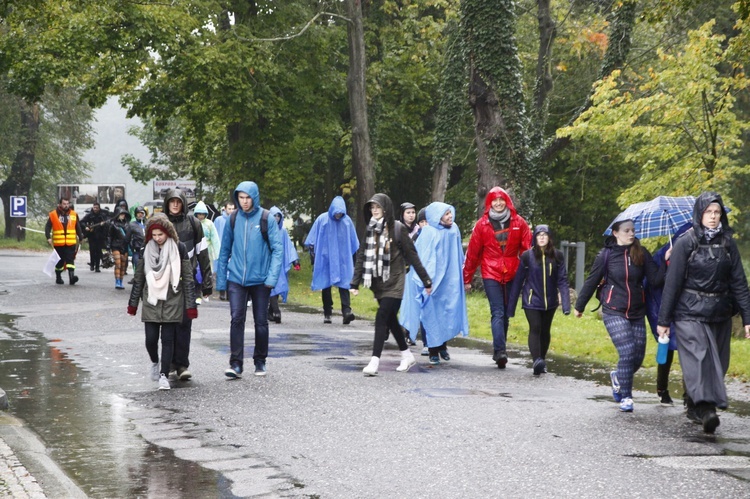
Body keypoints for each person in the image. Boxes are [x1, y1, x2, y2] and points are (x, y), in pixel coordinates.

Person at [657, 192, 750, 433]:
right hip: (689, 312)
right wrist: (664, 320)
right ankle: (707, 410)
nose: (713, 217)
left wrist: (748, 318)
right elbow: (672, 283)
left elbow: (739, 282)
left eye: (717, 212)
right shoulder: (685, 243)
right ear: (700, 214)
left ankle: (695, 403)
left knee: (718, 363)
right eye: (708, 212)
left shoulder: (728, 244)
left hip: (720, 312)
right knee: (699, 358)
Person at [574, 219, 665, 413]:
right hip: (613, 309)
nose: (631, 234)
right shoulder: (606, 255)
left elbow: (656, 280)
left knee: (637, 358)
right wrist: (579, 305)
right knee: (627, 351)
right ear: (615, 233)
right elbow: (592, 280)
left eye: (633, 230)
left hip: (637, 312)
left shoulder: (641, 253)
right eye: (626, 230)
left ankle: (618, 377)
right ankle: (626, 396)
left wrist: (667, 259)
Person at [351, 194, 432, 376]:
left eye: (378, 207)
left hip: (395, 281)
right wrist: (354, 282)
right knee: (391, 320)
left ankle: (374, 361)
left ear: (386, 208)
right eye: (372, 208)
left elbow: (412, 255)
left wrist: (426, 280)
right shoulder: (370, 229)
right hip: (378, 283)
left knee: (382, 317)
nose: (375, 210)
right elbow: (362, 256)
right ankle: (407, 355)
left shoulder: (397, 229)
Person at [216, 181, 283, 378]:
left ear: (254, 197)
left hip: (261, 279)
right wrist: (222, 281)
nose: (244, 202)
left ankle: (260, 360)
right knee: (236, 318)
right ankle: (236, 364)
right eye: (241, 198)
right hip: (236, 278)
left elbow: (277, 250)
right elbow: (224, 250)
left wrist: (271, 277)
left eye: (247, 198)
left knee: (261, 321)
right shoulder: (233, 218)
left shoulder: (266, 218)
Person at [127, 214, 198, 391]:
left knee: (168, 340)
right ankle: (154, 361)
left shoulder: (179, 248)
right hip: (151, 299)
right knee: (151, 340)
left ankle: (164, 375)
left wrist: (190, 306)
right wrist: (133, 303)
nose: (158, 238)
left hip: (172, 299)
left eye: (161, 234)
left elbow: (188, 278)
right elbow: (139, 278)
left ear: (168, 232)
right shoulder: (146, 250)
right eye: (154, 235)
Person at [463, 187, 531, 369]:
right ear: (489, 203)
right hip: (490, 271)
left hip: (512, 271)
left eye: (502, 200)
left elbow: (527, 250)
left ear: (507, 201)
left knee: (507, 313)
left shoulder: (519, 222)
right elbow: (473, 253)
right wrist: (466, 278)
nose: (498, 203)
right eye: (495, 200)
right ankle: (500, 351)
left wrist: (528, 273)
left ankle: (499, 350)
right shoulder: (482, 225)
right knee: (498, 311)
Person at [400, 202, 468, 365]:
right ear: (437, 216)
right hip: (432, 279)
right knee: (430, 311)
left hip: (449, 280)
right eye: (445, 214)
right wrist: (424, 278)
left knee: (446, 311)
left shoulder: (454, 230)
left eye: (450, 213)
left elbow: (458, 254)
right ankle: (432, 349)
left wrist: (462, 275)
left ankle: (442, 344)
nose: (450, 216)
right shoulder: (428, 232)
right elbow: (421, 256)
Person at [507, 224, 571, 375]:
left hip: (550, 301)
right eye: (539, 235)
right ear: (534, 238)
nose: (542, 237)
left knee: (545, 330)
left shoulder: (557, 256)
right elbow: (518, 282)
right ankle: (536, 360)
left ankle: (542, 360)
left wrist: (566, 304)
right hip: (531, 300)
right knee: (535, 327)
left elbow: (562, 280)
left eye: (545, 235)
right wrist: (511, 308)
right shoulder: (527, 256)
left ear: (549, 238)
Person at [164, 188, 213, 381]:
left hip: (188, 280)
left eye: (178, 201)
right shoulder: (160, 223)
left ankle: (182, 364)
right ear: (167, 203)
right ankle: (168, 363)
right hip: (165, 281)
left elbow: (203, 254)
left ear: (183, 203)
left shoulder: (193, 223)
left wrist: (207, 281)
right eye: (172, 201)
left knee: (185, 322)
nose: (175, 205)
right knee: (168, 323)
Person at [644, 222, 691, 405]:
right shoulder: (663, 252)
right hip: (665, 307)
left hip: (687, 308)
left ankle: (690, 395)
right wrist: (666, 260)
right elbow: (654, 282)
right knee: (668, 348)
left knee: (689, 351)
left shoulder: (697, 250)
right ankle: (662, 388)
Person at [304, 196, 359, 324]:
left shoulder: (347, 222)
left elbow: (353, 242)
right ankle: (327, 312)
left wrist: (353, 259)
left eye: (341, 213)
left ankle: (346, 311)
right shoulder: (322, 220)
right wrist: (314, 256)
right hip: (326, 258)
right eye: (336, 213)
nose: (338, 215)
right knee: (326, 284)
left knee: (345, 283)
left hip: (342, 259)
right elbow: (312, 239)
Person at [267, 206, 300, 324]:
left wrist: (295, 261)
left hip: (280, 265)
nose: (276, 218)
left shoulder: (283, 232)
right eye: (274, 216)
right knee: (272, 286)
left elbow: (289, 247)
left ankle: (271, 311)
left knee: (277, 286)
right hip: (268, 264)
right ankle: (276, 311)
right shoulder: (266, 230)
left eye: (278, 216)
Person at [45, 197, 83, 285]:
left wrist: (81, 238)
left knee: (70, 260)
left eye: (67, 204)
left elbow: (78, 227)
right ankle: (58, 277)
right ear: (60, 204)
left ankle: (72, 278)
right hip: (59, 243)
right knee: (60, 262)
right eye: (64, 204)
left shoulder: (73, 214)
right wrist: (48, 237)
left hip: (70, 242)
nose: (66, 206)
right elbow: (47, 227)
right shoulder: (53, 214)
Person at [213, 201, 236, 301]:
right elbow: (214, 233)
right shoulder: (218, 220)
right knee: (221, 270)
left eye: (232, 209)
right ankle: (222, 291)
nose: (231, 211)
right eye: (229, 208)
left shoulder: (236, 219)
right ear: (225, 209)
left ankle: (229, 292)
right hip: (220, 248)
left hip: (231, 248)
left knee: (230, 271)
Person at [107, 206, 132, 290]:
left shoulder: (127, 224)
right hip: (116, 246)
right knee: (118, 264)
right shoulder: (113, 224)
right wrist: (108, 246)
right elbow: (109, 236)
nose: (123, 216)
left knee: (123, 266)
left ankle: (120, 281)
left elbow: (130, 236)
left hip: (124, 247)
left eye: (124, 214)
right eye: (121, 214)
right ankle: (117, 281)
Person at [81, 202, 108, 272]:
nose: (95, 209)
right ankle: (92, 264)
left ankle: (97, 267)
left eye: (97, 208)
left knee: (98, 251)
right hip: (91, 235)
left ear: (99, 208)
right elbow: (82, 222)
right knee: (92, 250)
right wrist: (86, 227)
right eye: (94, 207)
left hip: (99, 236)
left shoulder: (102, 215)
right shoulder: (89, 215)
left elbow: (107, 223)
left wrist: (103, 224)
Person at [128, 206, 147, 283]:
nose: (140, 215)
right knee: (137, 265)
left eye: (142, 213)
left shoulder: (148, 223)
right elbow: (127, 238)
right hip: (137, 249)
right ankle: (137, 280)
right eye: (138, 213)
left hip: (147, 249)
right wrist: (131, 247)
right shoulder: (132, 225)